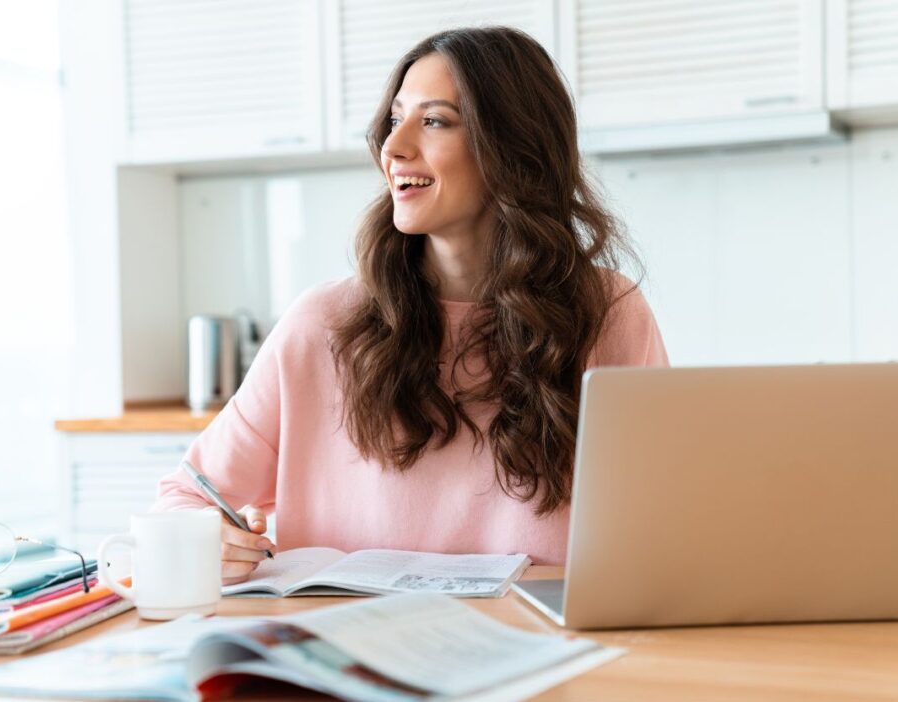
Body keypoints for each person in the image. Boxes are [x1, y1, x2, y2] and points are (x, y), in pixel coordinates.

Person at [154, 26, 668, 584]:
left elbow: (668, 520)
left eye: (434, 120)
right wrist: (209, 540)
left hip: (542, 655)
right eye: (396, 120)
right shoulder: (321, 325)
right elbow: (183, 497)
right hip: (350, 657)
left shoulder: (609, 314)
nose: (394, 148)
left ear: (514, 148)